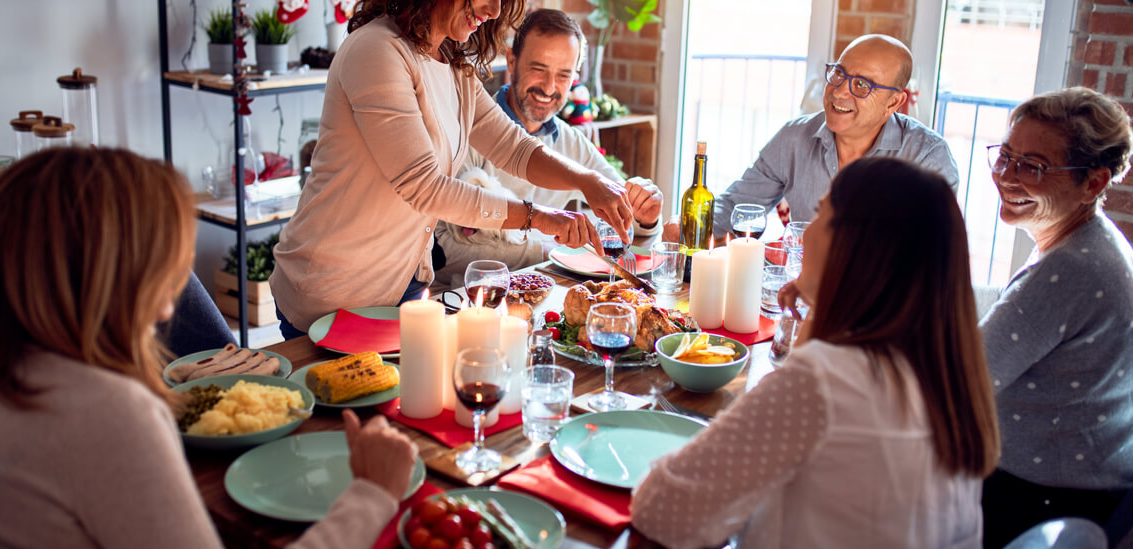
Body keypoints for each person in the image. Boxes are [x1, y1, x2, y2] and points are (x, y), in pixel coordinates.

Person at [0, 147, 417, 549]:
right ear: (121, 276)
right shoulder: (102, 413)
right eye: (165, 270)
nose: (169, 309)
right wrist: (372, 494)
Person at [632, 157, 1000, 549]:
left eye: (822, 215)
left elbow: (665, 511)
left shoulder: (826, 379)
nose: (802, 234)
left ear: (855, 246)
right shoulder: (944, 373)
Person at [270, 0, 636, 338]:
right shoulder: (377, 50)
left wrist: (587, 180)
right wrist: (536, 217)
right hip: (332, 290)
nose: (493, 11)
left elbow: (514, 147)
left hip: (404, 284)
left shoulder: (452, 64)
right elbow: (425, 186)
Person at [978, 87, 1133, 549]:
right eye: (1006, 156)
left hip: (1051, 511)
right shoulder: (1095, 241)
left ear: (1092, 183)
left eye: (1031, 166)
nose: (1006, 176)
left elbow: (959, 378)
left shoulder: (1072, 268)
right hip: (1087, 491)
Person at [432, 8, 663, 290]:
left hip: (543, 298)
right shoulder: (466, 132)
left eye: (564, 75)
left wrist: (646, 214)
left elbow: (629, 224)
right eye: (538, 69)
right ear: (513, 61)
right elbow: (440, 250)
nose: (549, 87)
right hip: (463, 303)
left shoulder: (572, 143)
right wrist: (545, 248)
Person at [662, 33, 958, 242]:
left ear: (894, 103)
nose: (840, 91)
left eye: (861, 85)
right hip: (803, 303)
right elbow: (736, 207)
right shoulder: (794, 138)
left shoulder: (928, 158)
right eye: (839, 74)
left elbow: (925, 260)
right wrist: (686, 224)